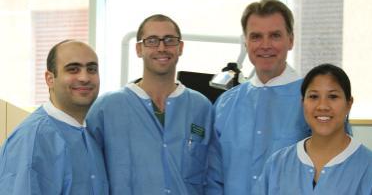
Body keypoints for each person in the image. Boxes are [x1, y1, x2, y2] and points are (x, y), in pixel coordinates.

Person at [86, 14, 213, 195]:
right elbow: (88, 174)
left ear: (180, 47)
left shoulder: (201, 107)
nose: (162, 48)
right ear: (139, 49)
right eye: (152, 41)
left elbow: (212, 176)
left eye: (169, 40)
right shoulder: (107, 108)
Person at [206, 0, 314, 194]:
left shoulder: (314, 101)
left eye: (275, 35)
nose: (265, 45)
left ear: (290, 40)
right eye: (256, 36)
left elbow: (333, 174)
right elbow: (213, 178)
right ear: (245, 43)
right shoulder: (225, 105)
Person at [252, 63, 372, 194]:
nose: (322, 106)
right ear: (303, 103)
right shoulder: (277, 164)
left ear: (349, 103)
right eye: (313, 96)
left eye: (333, 96)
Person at [0, 40, 109, 194]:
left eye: (91, 69)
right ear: (50, 79)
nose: (84, 77)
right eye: (73, 69)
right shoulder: (31, 139)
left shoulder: (89, 134)